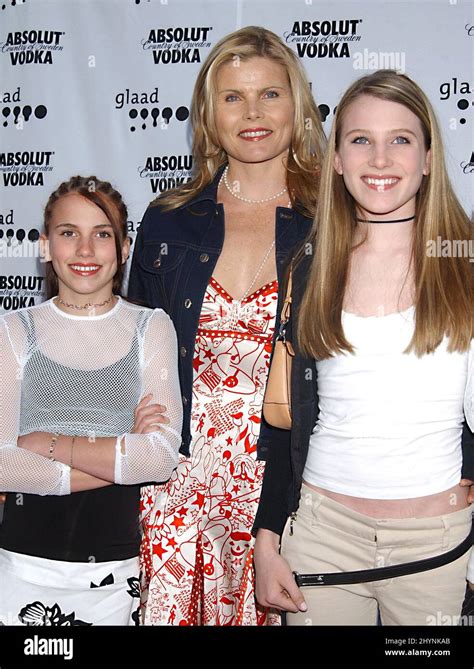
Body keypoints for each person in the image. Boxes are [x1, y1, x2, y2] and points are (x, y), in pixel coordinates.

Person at [253, 70, 474, 626]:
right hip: (322, 537)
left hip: (435, 546)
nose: (379, 159)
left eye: (400, 139)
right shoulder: (310, 265)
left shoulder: (464, 264)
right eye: (360, 140)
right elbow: (284, 422)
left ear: (427, 158)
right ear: (336, 160)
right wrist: (268, 535)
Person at [128, 25, 326, 625]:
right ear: (209, 115)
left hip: (288, 479)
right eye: (232, 97)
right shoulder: (168, 221)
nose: (253, 113)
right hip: (177, 482)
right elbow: (128, 354)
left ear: (298, 105)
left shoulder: (334, 221)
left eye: (270, 94)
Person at [0, 176, 182, 626]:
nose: (85, 251)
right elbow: (2, 464)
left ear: (123, 249)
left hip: (117, 570)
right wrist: (119, 455)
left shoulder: (151, 327)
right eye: (68, 233)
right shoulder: (13, 330)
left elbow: (160, 459)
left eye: (102, 234)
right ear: (44, 246)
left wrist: (45, 442)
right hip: (22, 564)